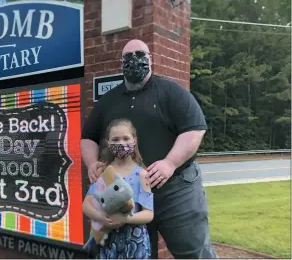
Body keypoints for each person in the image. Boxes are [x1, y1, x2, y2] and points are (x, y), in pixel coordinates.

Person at [81, 39, 218, 259]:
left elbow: (195, 129)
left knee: (195, 253)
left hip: (176, 189)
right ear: (121, 62)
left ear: (150, 59)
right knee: (138, 253)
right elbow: (87, 137)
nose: (134, 60)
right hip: (129, 194)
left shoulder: (171, 92)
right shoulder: (108, 101)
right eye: (128, 56)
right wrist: (92, 163)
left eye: (140, 54)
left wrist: (170, 163)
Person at [82, 118, 153, 259]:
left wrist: (125, 219)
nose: (121, 143)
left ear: (134, 141)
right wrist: (101, 217)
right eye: (115, 139)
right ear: (108, 143)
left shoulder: (142, 175)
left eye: (126, 138)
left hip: (134, 242)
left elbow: (148, 214)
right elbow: (86, 205)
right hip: (106, 240)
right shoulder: (103, 172)